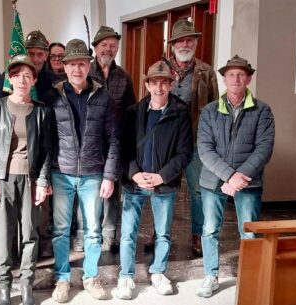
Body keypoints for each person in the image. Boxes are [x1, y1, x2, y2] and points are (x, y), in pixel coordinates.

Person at [196, 55, 275, 298]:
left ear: (249, 78)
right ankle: (211, 275)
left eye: (241, 74)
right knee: (209, 229)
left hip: (248, 182)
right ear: (224, 79)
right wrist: (229, 177)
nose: (236, 78)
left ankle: (249, 276)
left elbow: (264, 148)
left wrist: (240, 177)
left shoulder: (262, 110)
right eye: (231, 74)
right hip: (213, 180)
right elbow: (205, 149)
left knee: (249, 231)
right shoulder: (209, 111)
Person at [46, 39, 119, 302]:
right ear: (64, 67)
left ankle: (90, 276)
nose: (77, 69)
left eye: (82, 64)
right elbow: (47, 141)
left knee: (93, 230)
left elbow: (113, 139)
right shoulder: (52, 96)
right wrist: (46, 177)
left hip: (93, 173)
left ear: (89, 66)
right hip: (61, 172)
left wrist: (109, 175)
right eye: (72, 64)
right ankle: (62, 278)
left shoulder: (103, 96)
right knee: (61, 229)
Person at [114, 61, 193, 300]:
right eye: (154, 82)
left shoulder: (180, 114)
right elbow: (123, 148)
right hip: (134, 183)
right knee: (128, 233)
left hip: (163, 184)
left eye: (164, 82)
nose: (159, 87)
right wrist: (135, 173)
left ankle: (158, 272)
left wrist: (161, 176)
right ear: (147, 84)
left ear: (171, 84)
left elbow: (185, 152)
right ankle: (126, 276)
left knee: (163, 233)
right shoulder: (133, 112)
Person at [0, 54, 53, 305]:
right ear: (10, 78)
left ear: (34, 80)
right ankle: (4, 285)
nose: (22, 79)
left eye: (27, 75)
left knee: (30, 233)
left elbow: (46, 151)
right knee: (2, 234)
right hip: (2, 180)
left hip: (31, 181)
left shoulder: (43, 112)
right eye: (17, 74)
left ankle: (26, 285)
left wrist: (43, 182)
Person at [0, 30, 58, 257]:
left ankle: (38, 247)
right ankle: (10, 252)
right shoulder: (6, 78)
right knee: (8, 216)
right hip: (10, 160)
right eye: (32, 53)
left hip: (41, 153)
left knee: (38, 211)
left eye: (41, 54)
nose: (37, 58)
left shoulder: (53, 80)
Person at [167, 19, 219, 256]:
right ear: (173, 44)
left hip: (197, 140)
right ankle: (162, 235)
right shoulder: (161, 68)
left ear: (196, 42)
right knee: (164, 188)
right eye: (181, 40)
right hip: (167, 142)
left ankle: (198, 235)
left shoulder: (207, 71)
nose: (185, 43)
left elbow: (215, 108)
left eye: (190, 39)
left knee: (198, 190)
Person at [89, 26, 137, 253]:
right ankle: (90, 232)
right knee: (90, 190)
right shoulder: (86, 72)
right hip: (90, 142)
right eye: (104, 45)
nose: (108, 49)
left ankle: (109, 234)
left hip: (116, 143)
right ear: (95, 48)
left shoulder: (124, 76)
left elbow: (131, 110)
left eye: (112, 45)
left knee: (112, 190)